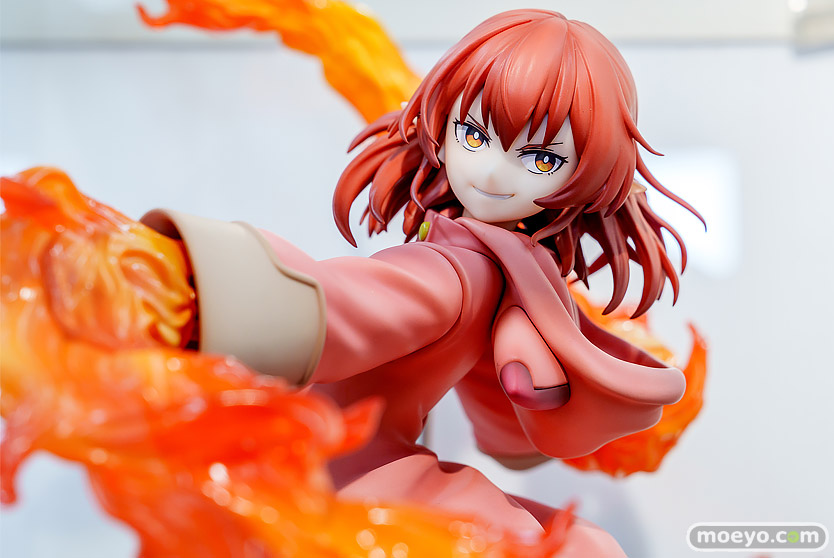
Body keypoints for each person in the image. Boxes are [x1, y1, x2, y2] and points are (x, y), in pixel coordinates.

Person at [141, 9, 702, 554]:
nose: (491, 171)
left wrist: (528, 400)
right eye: (474, 135)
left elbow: (478, 375)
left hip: (340, 462)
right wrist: (197, 280)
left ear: (591, 172)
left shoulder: (490, 270)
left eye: (539, 158)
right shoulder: (469, 269)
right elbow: (347, 307)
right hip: (337, 466)